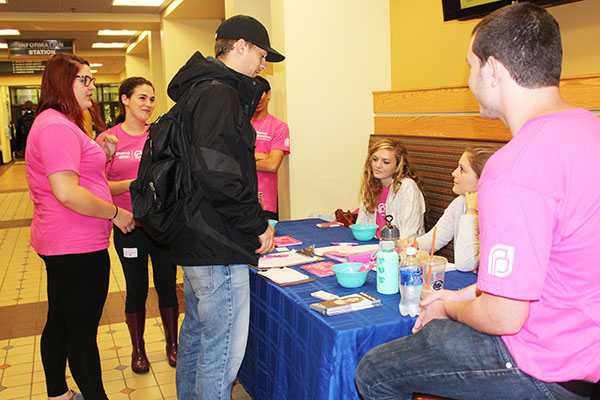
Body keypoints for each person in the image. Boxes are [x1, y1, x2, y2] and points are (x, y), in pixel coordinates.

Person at [355, 3, 600, 399]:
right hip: (586, 357)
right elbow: (549, 270)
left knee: (374, 371)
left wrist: (448, 307)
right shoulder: (590, 131)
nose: (469, 80)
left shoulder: (514, 165)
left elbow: (504, 315)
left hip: (540, 365)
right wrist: (459, 295)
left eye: (470, 66)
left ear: (493, 70)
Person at [165, 15, 282, 399]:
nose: (264, 65)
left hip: (196, 237)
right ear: (241, 46)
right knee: (221, 353)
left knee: (197, 337)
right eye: (262, 55)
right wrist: (257, 223)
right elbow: (217, 174)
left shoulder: (199, 88)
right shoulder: (219, 93)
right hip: (216, 240)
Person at [25, 53, 135, 400]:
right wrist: (115, 214)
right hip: (76, 246)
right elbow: (68, 193)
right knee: (82, 333)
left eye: (91, 79)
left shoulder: (60, 123)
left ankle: (58, 393)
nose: (91, 86)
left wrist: (100, 153)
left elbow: (79, 178)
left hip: (64, 242)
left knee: (61, 319)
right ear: (62, 83)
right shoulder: (56, 126)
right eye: (84, 80)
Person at [96, 77, 179, 373]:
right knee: (136, 290)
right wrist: (136, 186)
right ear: (125, 100)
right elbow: (99, 186)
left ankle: (173, 345)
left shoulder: (159, 135)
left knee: (168, 286)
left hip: (160, 227)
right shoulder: (108, 139)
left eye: (152, 99)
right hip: (128, 226)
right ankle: (138, 350)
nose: (148, 104)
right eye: (142, 98)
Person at [402, 146, 496, 272]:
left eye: (462, 169)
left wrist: (471, 212)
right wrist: (415, 244)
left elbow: (466, 264)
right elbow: (434, 238)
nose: (454, 173)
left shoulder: (498, 213)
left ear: (483, 178)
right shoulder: (459, 203)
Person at [356, 138, 425, 239]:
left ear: (398, 165)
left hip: (399, 249)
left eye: (386, 162)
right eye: (375, 159)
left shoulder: (407, 187)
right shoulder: (371, 185)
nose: (377, 166)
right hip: (374, 245)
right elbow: (362, 226)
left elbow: (409, 235)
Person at [251, 75, 290, 221]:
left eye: (260, 92)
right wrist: (260, 155)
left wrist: (245, 159)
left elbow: (273, 165)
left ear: (268, 94)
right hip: (240, 200)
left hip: (266, 203)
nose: (256, 98)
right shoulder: (240, 124)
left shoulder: (279, 127)